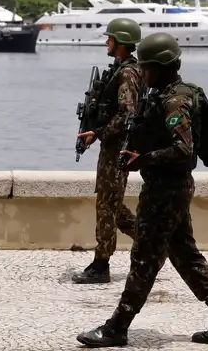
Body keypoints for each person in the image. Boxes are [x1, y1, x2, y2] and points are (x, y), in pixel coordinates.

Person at [77, 32, 208, 347]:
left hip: (165, 190)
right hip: (173, 188)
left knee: (144, 258)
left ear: (163, 67)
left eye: (148, 68)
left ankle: (117, 327)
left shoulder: (173, 101)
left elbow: (184, 150)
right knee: (185, 254)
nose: (144, 73)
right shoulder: (176, 93)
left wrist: (144, 159)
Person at [73, 17, 143, 284]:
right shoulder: (119, 69)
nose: (107, 42)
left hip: (118, 150)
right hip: (111, 148)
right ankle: (157, 242)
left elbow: (127, 113)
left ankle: (101, 265)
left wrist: (98, 133)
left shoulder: (126, 73)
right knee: (112, 206)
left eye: (110, 39)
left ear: (122, 44)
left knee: (107, 206)